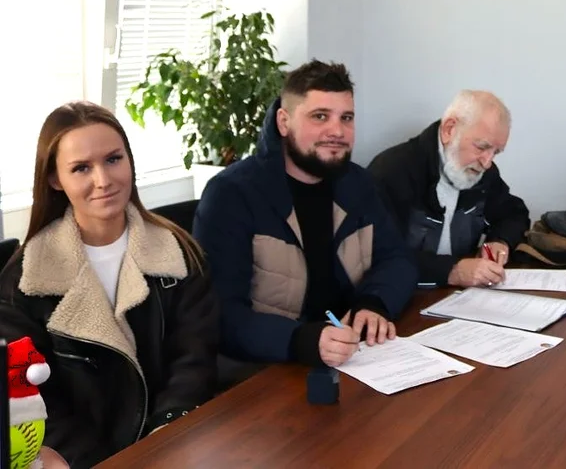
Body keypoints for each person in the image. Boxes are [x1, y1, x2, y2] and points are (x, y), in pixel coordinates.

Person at [0, 102, 217, 469]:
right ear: (55, 179)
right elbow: (34, 398)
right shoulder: (24, 281)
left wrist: (165, 436)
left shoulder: (181, 254)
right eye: (81, 168)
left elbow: (194, 360)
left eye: (114, 159)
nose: (103, 180)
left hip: (175, 447)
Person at [194, 60, 416, 375]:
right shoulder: (231, 194)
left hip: (352, 357)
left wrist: (373, 303)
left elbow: (397, 260)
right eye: (320, 116)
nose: (337, 131)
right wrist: (302, 339)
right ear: (284, 122)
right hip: (267, 367)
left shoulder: (359, 184)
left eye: (346, 118)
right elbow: (221, 313)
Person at [368, 90, 529, 287]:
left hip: (459, 295)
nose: (487, 162)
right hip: (403, 295)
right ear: (449, 130)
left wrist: (500, 241)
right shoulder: (391, 171)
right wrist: (451, 270)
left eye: (495, 152)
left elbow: (514, 214)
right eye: (481, 147)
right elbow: (377, 254)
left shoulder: (482, 172)